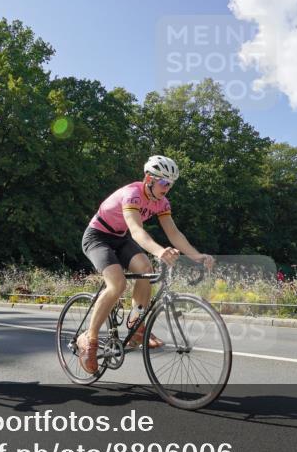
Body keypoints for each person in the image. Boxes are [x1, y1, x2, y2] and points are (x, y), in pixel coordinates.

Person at [77, 155, 215, 373]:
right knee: (117, 284)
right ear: (149, 179)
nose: (167, 188)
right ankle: (88, 338)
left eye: (171, 184)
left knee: (146, 270)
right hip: (98, 237)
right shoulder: (132, 194)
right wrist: (160, 251)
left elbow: (174, 233)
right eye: (164, 183)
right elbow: (136, 230)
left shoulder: (162, 202)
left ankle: (136, 324)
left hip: (120, 238)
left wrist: (197, 256)